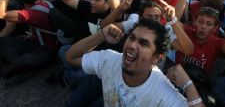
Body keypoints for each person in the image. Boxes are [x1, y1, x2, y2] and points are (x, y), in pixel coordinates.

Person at [66, 18, 203, 107]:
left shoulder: (163, 93)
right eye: (131, 38)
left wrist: (188, 85)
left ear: (157, 57)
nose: (132, 45)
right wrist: (100, 35)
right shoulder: (109, 59)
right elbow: (71, 57)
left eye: (143, 43)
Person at [0, 0, 58, 80]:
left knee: (9, 69)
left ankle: (23, 69)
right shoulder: (43, 3)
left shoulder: (31, 13)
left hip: (47, 51)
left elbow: (1, 14)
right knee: (2, 41)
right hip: (38, 43)